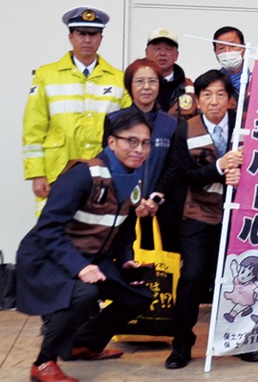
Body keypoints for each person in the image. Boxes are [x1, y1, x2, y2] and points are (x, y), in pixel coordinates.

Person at [17, 110, 158, 382]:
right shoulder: (83, 174)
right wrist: (80, 267)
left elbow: (125, 227)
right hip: (50, 256)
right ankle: (43, 363)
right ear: (111, 141)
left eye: (146, 143)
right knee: (84, 293)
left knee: (139, 297)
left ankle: (84, 345)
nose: (139, 149)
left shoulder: (133, 179)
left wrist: (127, 258)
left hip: (93, 256)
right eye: (131, 141)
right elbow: (48, 229)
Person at [164, 70, 256, 369]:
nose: (214, 101)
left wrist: (241, 175)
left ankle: (241, 340)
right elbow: (184, 175)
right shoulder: (184, 130)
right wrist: (219, 166)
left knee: (241, 279)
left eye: (220, 95)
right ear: (197, 101)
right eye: (207, 95)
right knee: (192, 277)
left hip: (239, 216)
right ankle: (181, 343)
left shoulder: (246, 128)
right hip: (198, 214)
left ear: (231, 100)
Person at [24, 6, 129, 213]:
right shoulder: (46, 76)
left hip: (102, 172)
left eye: (93, 34)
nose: (87, 40)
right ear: (71, 36)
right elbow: (33, 129)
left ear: (101, 38)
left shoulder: (118, 79)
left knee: (93, 234)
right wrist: (37, 174)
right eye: (81, 34)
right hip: (57, 172)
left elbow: (126, 130)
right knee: (54, 233)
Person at [104, 59, 181, 252]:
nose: (146, 87)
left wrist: (155, 199)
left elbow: (173, 166)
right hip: (123, 207)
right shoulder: (115, 120)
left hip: (160, 208)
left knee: (159, 272)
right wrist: (133, 200)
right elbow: (109, 163)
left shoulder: (171, 123)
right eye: (139, 81)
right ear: (129, 85)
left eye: (152, 81)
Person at [145, 28, 196, 118]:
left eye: (168, 49)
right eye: (157, 49)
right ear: (147, 53)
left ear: (177, 55)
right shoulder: (137, 86)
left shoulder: (188, 86)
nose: (162, 53)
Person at [212, 26, 247, 91]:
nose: (227, 51)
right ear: (215, 52)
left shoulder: (256, 81)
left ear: (244, 48)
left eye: (232, 46)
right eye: (221, 48)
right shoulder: (210, 84)